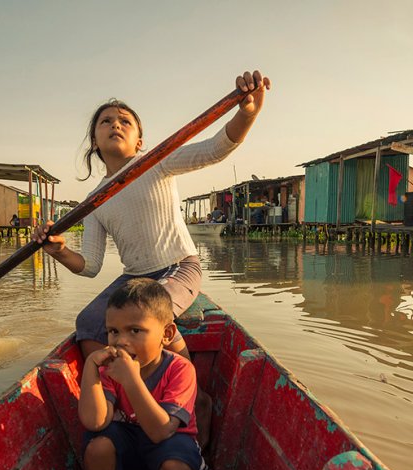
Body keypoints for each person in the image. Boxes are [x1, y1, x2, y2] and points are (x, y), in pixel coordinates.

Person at [32, 69, 269, 448]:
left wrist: (247, 112)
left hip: (179, 266)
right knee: (88, 321)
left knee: (148, 312)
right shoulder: (95, 201)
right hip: (135, 276)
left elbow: (216, 148)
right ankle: (118, 396)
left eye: (125, 121)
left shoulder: (156, 161)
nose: (115, 124)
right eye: (106, 121)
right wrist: (59, 250)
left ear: (139, 140)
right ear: (94, 141)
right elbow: (89, 266)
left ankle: (194, 398)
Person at [78, 278, 207, 470]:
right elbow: (94, 422)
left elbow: (162, 431)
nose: (121, 341)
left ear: (166, 333)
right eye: (113, 331)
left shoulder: (180, 369)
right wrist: (91, 368)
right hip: (128, 449)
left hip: (168, 444)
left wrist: (132, 381)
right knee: (96, 447)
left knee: (177, 467)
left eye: (135, 330)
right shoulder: (111, 369)